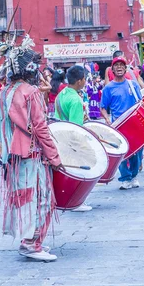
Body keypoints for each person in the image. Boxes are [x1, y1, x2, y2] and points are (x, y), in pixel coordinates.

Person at [0, 34, 63, 262]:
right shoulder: (30, 92)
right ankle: (32, 243)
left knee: (23, 198)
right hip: (32, 154)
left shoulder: (4, 93)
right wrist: (54, 157)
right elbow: (41, 128)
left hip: (12, 157)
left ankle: (27, 239)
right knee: (43, 199)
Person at [100, 56, 143, 190]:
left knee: (136, 151)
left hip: (134, 123)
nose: (119, 67)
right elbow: (103, 107)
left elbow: (140, 103)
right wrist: (107, 120)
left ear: (125, 69)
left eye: (122, 65)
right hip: (118, 125)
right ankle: (125, 178)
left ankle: (134, 176)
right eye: (116, 65)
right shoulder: (108, 88)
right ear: (112, 69)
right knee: (122, 152)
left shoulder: (133, 84)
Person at [55, 65, 93, 212]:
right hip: (71, 141)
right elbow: (76, 129)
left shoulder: (62, 94)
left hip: (60, 137)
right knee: (79, 171)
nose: (85, 81)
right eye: (84, 79)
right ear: (79, 81)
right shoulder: (76, 100)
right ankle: (77, 201)